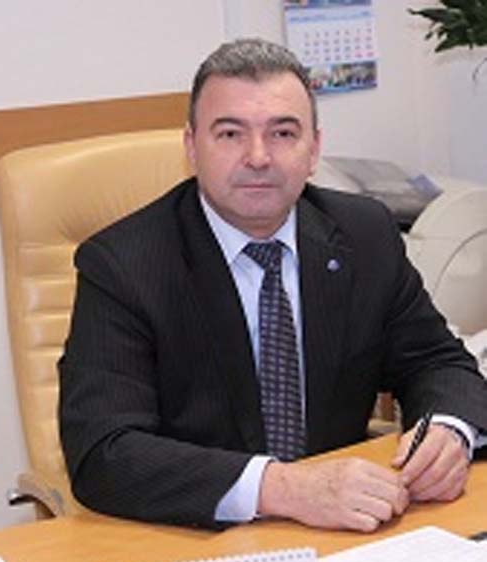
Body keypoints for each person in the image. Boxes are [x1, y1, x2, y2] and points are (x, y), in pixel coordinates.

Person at [59, 38, 487, 532]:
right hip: (194, 537)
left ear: (314, 149)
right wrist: (282, 488)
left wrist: (449, 430)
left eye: (283, 133)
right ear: (191, 147)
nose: (258, 157)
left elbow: (436, 361)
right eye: (230, 134)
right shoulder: (124, 264)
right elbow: (103, 452)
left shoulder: (364, 234)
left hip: (345, 533)